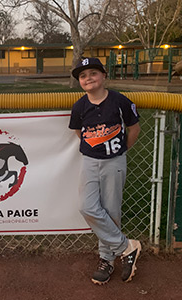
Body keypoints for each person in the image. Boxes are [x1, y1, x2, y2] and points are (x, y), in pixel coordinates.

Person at [68, 57, 141, 285]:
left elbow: (134, 128)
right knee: (87, 206)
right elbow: (79, 132)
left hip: (114, 161)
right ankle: (126, 247)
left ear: (103, 76)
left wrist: (120, 151)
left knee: (111, 210)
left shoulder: (119, 101)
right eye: (83, 75)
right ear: (79, 82)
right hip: (90, 160)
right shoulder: (80, 106)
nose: (88, 78)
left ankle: (106, 259)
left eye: (93, 73)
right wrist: (96, 147)